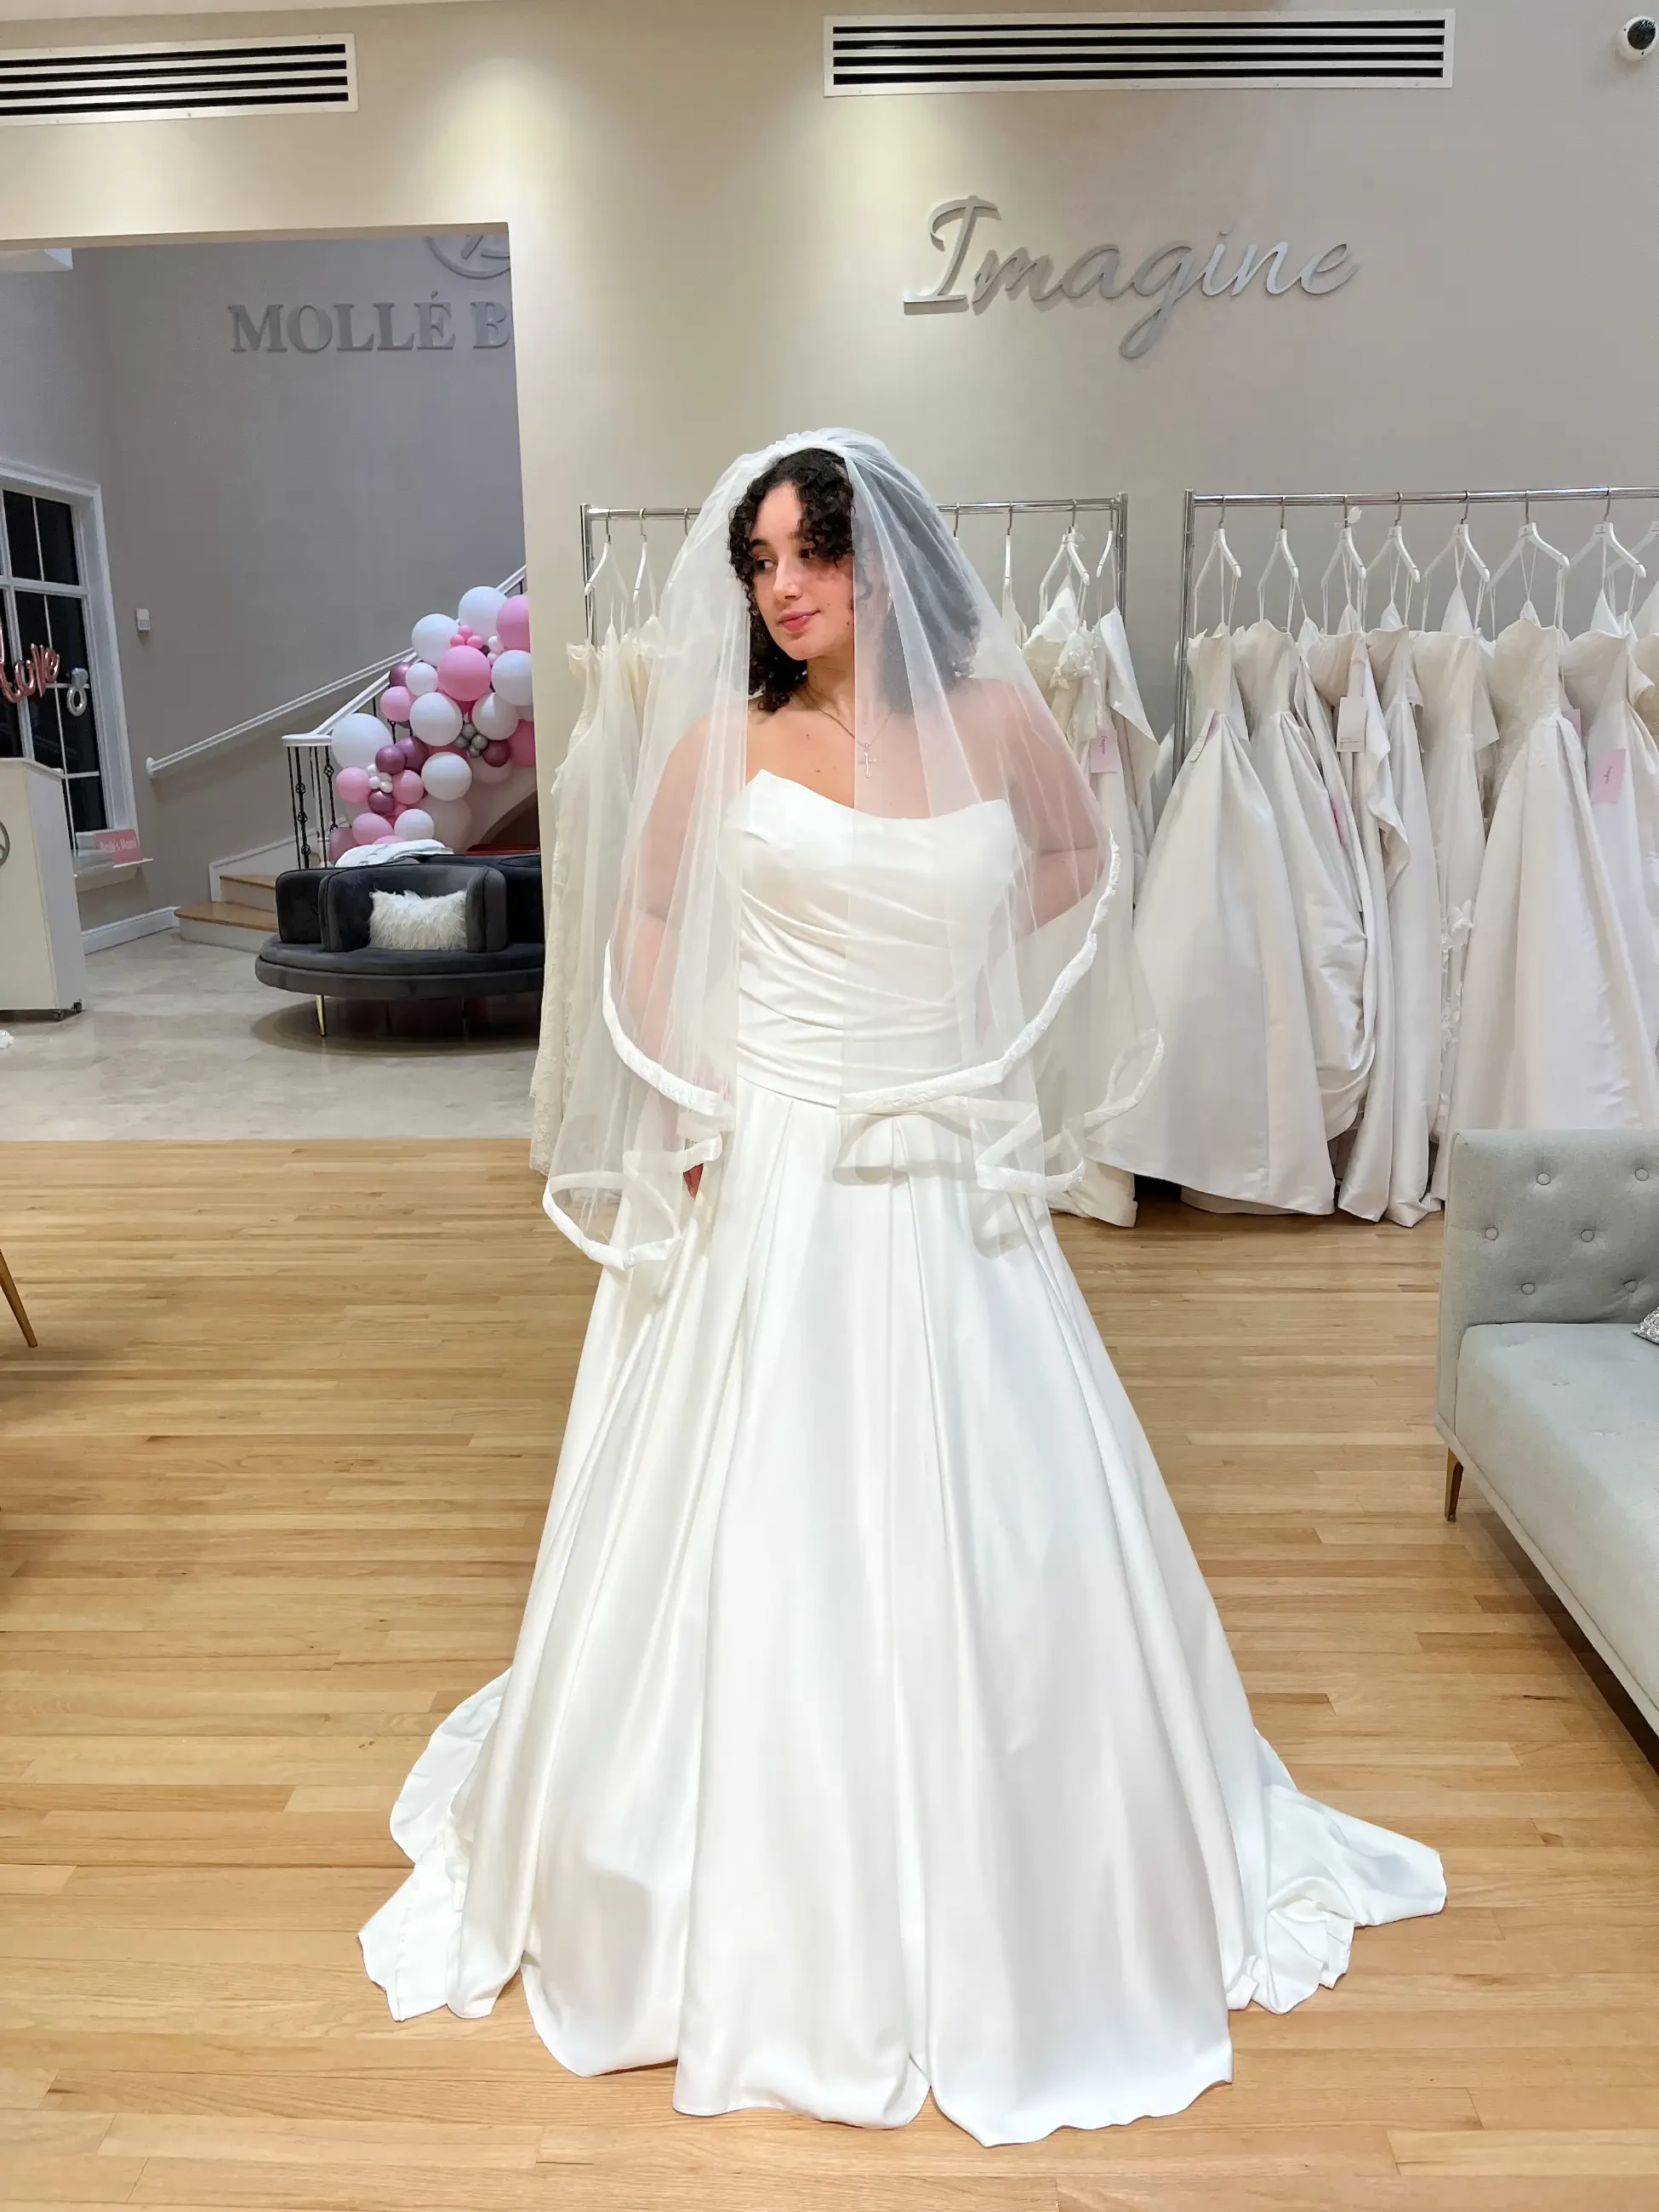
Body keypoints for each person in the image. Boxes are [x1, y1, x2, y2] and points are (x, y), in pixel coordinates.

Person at [362, 430, 1444, 2147]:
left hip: (937, 1152)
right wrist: (687, 1089)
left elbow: (1083, 866)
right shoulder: (721, 737)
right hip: (773, 1149)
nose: (784, 589)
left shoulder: (1001, 726)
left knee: (999, 1510)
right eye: (763, 564)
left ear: (887, 562)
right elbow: (642, 915)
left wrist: (968, 1004)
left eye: (814, 556)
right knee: (750, 1512)